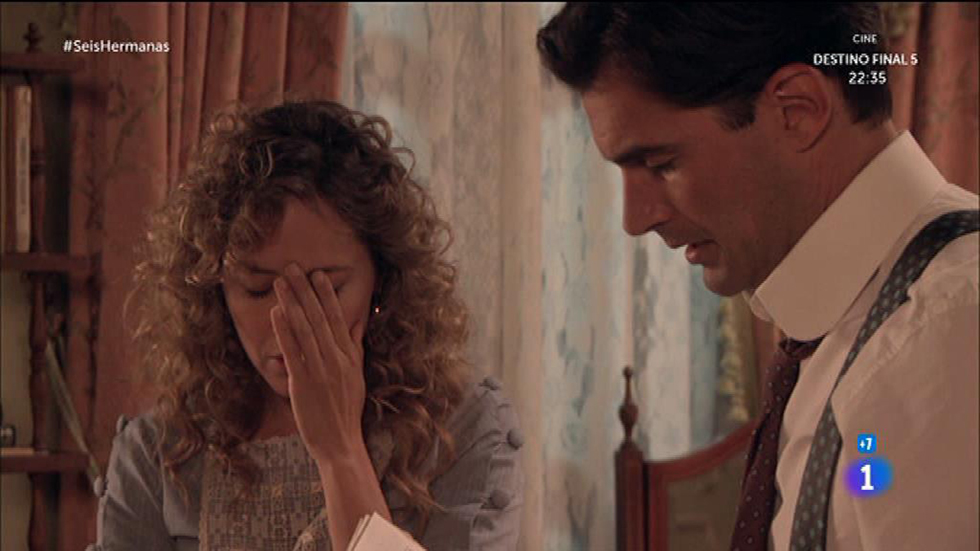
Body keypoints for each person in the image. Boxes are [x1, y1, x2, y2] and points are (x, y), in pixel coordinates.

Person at [538, 3, 977, 551]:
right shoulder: (846, 328)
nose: (635, 219)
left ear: (798, 110)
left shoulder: (947, 333)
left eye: (661, 164)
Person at [91, 101, 523, 551]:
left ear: (383, 281)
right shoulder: (160, 452)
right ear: (216, 290)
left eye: (326, 289)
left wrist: (340, 451)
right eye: (259, 290)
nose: (288, 323)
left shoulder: (461, 432)